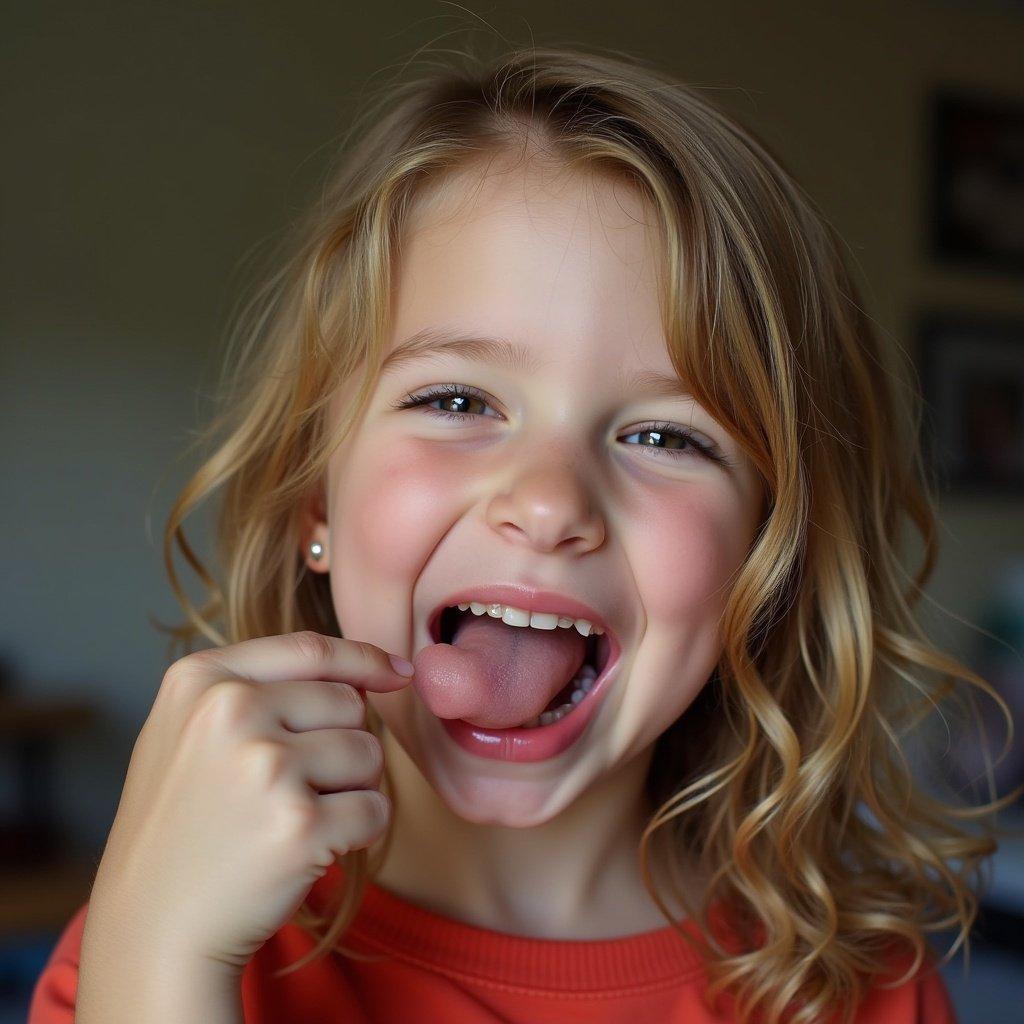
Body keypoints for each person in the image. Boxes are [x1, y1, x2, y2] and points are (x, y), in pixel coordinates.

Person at [29, 40, 1018, 1024]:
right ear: (314, 503)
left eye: (667, 433)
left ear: (766, 560)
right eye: (457, 399)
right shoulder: (153, 948)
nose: (548, 502)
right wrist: (158, 947)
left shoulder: (859, 990)